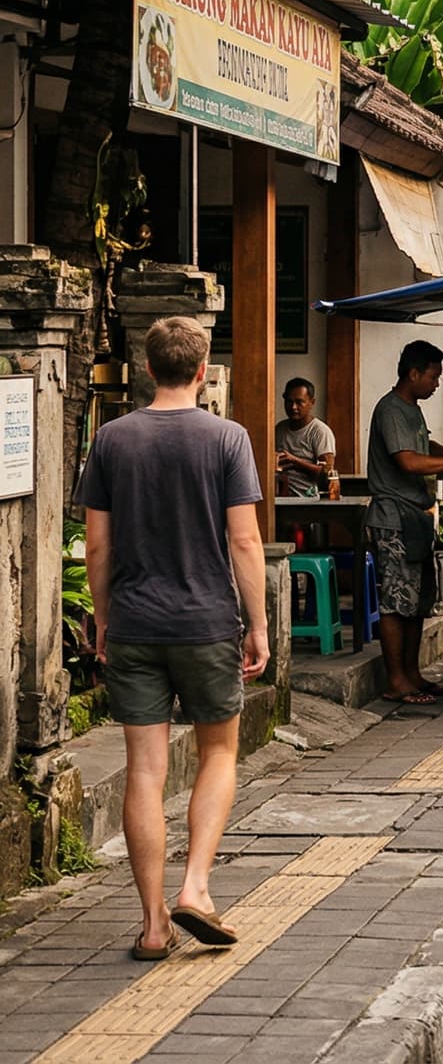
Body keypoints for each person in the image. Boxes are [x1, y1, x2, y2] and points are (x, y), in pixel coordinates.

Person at [80, 317, 267, 960]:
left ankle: (154, 925)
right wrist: (260, 624)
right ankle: (195, 888)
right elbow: (244, 540)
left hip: (133, 623)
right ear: (202, 365)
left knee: (145, 771)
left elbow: (96, 544)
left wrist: (103, 620)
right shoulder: (227, 439)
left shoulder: (111, 439)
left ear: (145, 364)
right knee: (217, 753)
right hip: (206, 622)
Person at [365, 340, 443, 706]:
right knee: (396, 601)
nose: (436, 384)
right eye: (433, 376)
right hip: (393, 519)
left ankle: (413, 674)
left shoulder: (412, 410)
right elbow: (410, 462)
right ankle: (396, 680)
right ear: (413, 374)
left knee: (417, 600)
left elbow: (427, 449)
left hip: (416, 516)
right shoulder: (391, 410)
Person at [274, 377, 336, 497]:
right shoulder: (279, 429)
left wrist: (294, 461)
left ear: (311, 403)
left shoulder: (320, 432)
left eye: (299, 402)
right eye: (289, 401)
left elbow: (327, 474)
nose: (293, 407)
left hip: (307, 500)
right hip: (280, 499)